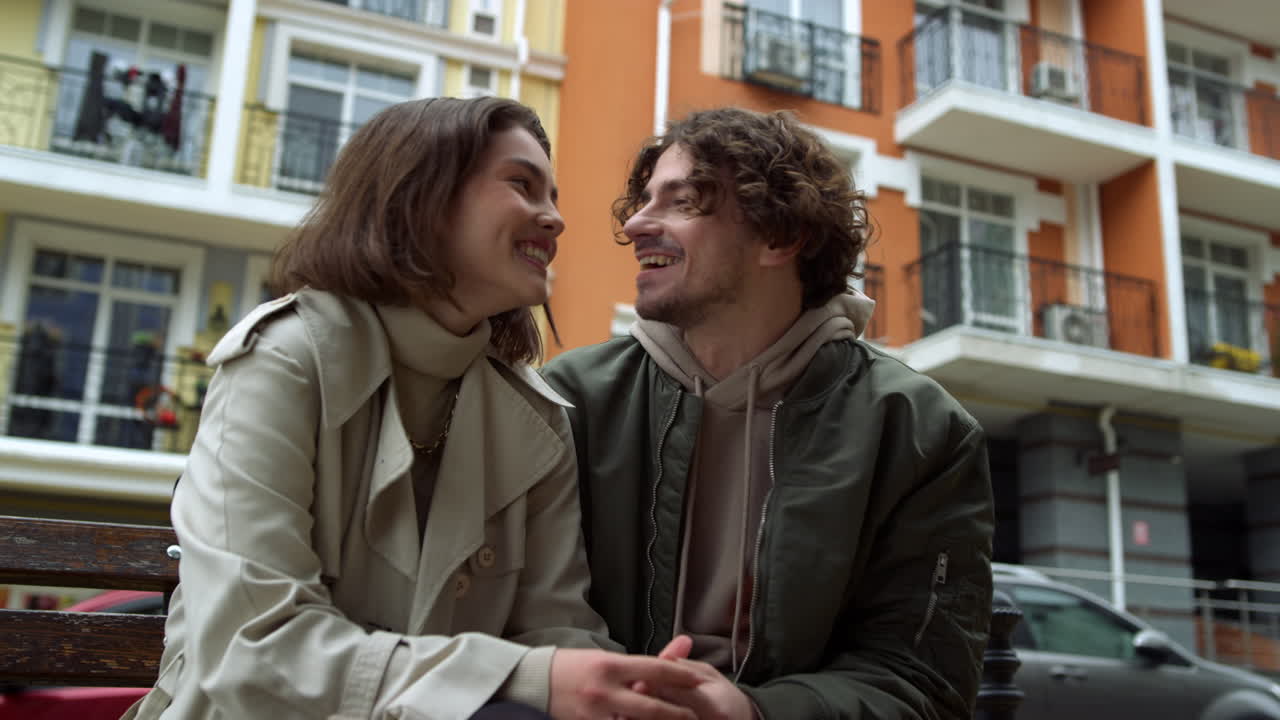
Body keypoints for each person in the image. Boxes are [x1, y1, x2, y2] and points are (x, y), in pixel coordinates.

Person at [123, 97, 705, 720]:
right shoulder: (285, 359)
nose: (555, 219)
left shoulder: (536, 420)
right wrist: (527, 679)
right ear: (420, 193)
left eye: (553, 195)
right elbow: (252, 652)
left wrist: (626, 689)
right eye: (522, 184)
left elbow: (555, 632)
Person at [542, 107, 995, 719]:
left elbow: (921, 682)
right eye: (645, 201)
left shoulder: (917, 429)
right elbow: (525, 613)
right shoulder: (571, 397)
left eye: (683, 202)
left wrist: (755, 713)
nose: (638, 225)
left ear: (781, 237)